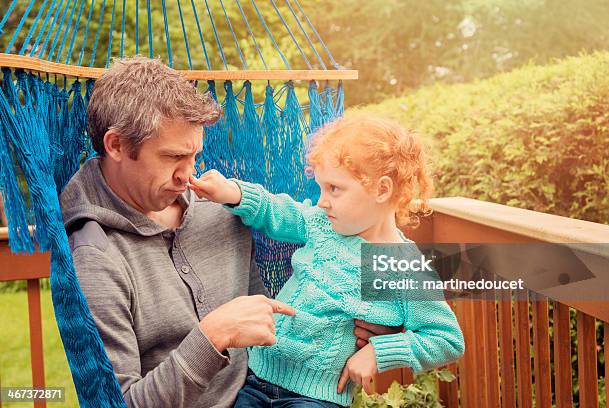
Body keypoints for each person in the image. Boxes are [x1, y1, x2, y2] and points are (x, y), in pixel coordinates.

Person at [60, 57, 397, 408]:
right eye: (172, 157)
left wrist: (386, 327)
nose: (187, 175)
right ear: (116, 146)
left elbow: (333, 262)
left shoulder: (221, 205)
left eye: (194, 155)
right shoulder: (94, 257)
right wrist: (213, 335)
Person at [189, 116, 466, 407]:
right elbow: (277, 211)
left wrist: (378, 353)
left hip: (315, 397)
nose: (322, 201)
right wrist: (234, 193)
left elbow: (445, 339)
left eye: (334, 188)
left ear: (381, 190)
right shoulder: (323, 225)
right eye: (322, 188)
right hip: (257, 378)